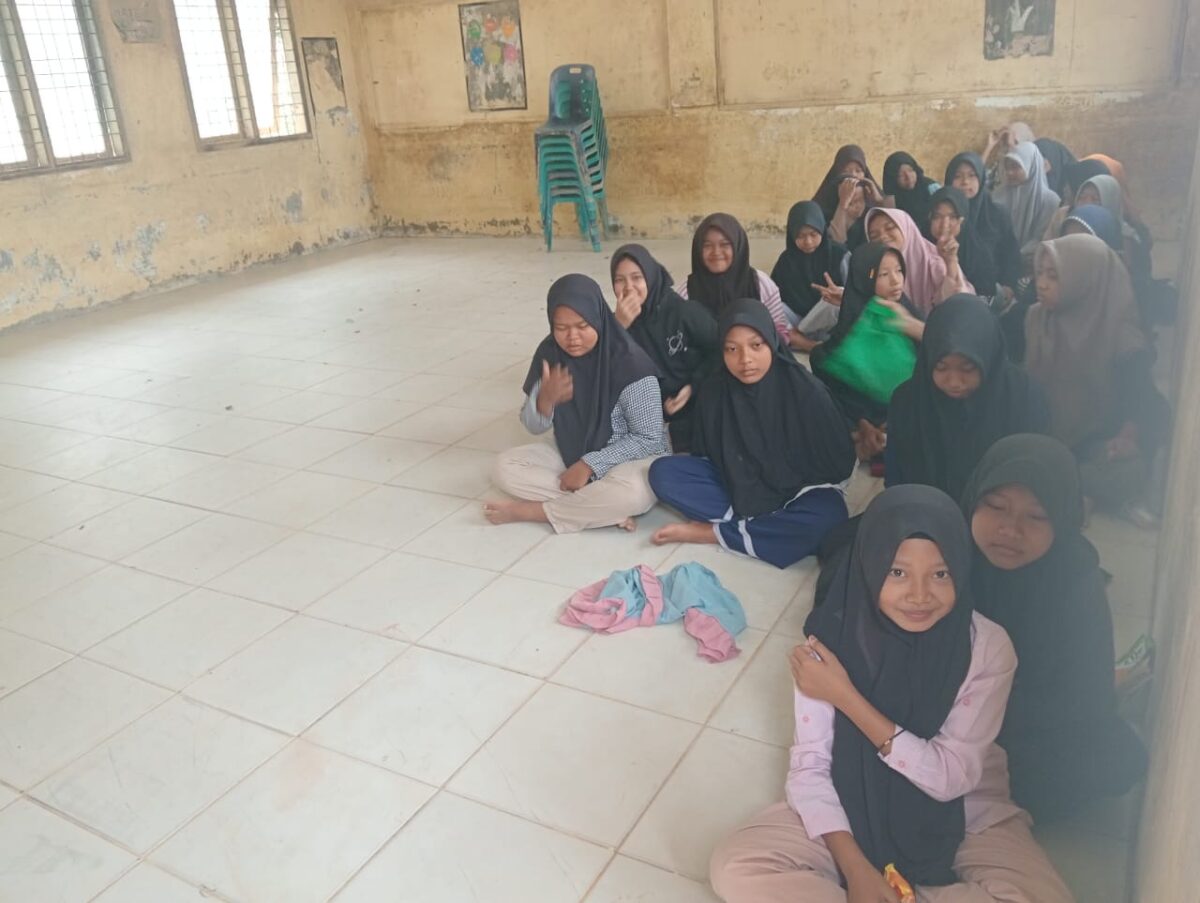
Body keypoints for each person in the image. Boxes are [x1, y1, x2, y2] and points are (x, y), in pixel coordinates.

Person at [710, 485, 1074, 903]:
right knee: (737, 868)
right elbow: (811, 768)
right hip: (850, 798)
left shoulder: (987, 648)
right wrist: (856, 870)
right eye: (897, 572)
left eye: (941, 574)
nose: (919, 595)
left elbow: (951, 778)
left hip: (964, 811)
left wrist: (845, 697)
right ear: (869, 565)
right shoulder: (829, 644)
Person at [963, 434, 1148, 823]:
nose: (1010, 530)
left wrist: (984, 716)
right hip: (942, 715)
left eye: (1036, 516)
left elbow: (1084, 701)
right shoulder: (946, 556)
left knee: (1116, 760)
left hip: (1024, 731)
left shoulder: (1074, 581)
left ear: (1063, 519)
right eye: (996, 506)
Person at [648, 300, 854, 569]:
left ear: (771, 342)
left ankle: (714, 533)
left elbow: (837, 465)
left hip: (799, 491)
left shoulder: (806, 391)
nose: (745, 359)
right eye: (732, 349)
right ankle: (767, 528)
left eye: (756, 346)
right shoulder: (715, 391)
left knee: (829, 517)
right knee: (663, 473)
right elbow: (706, 455)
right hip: (739, 485)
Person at [485, 274, 668, 532]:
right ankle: (599, 508)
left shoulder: (630, 363)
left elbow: (649, 438)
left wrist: (590, 464)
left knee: (635, 494)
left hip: (627, 459)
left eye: (583, 326)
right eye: (561, 328)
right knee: (504, 467)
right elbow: (533, 427)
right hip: (571, 448)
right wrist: (544, 402)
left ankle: (535, 511)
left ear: (598, 318)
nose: (572, 337)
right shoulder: (551, 354)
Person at [1027, 235, 1171, 515]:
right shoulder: (1036, 318)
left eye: (1053, 276)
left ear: (1085, 281)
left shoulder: (1122, 337)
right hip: (1043, 435)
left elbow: (1145, 403)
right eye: (1039, 273)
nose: (1041, 284)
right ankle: (1068, 489)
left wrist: (1128, 436)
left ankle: (1065, 487)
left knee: (1128, 473)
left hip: (1096, 441)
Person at [887, 294, 1049, 501]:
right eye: (941, 367)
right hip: (925, 509)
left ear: (988, 357)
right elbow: (895, 479)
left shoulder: (1024, 399)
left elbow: (1034, 476)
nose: (954, 382)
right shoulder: (908, 402)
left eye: (968, 368)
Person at [811, 242, 925, 462]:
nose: (896, 280)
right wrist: (862, 421)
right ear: (865, 278)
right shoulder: (852, 327)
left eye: (899, 270)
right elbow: (840, 389)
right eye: (883, 274)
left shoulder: (908, 317)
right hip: (866, 417)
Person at [610, 244, 719, 452]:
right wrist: (618, 328)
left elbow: (720, 350)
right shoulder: (616, 322)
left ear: (650, 277)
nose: (628, 288)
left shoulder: (683, 312)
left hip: (696, 401)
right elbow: (603, 370)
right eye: (619, 280)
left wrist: (693, 386)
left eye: (637, 278)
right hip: (650, 415)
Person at [676, 213, 791, 343]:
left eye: (724, 244)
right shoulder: (685, 292)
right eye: (707, 245)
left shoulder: (761, 284)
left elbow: (780, 331)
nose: (716, 252)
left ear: (738, 246)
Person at [770, 201, 849, 352]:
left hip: (828, 325)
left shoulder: (840, 255)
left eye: (813, 234)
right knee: (770, 305)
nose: (808, 242)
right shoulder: (786, 260)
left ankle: (798, 340)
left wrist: (839, 295)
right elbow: (773, 296)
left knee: (836, 298)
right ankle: (810, 345)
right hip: (795, 322)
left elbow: (856, 296)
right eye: (800, 236)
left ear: (822, 229)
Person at [864, 207, 974, 315]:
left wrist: (950, 263)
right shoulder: (872, 271)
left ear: (906, 228)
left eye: (889, 228)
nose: (882, 237)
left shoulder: (934, 262)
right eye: (874, 236)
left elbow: (957, 305)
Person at [945, 152, 1023, 293]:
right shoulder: (942, 216)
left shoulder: (997, 214)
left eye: (972, 175)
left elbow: (1010, 255)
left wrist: (1009, 286)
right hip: (953, 291)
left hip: (994, 292)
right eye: (957, 176)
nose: (965, 182)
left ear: (981, 178)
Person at [927, 186, 1004, 304]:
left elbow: (984, 298)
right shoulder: (919, 248)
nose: (944, 225)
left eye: (953, 217)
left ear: (963, 220)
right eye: (937, 217)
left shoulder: (978, 253)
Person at [993, 142, 1061, 254]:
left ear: (1031, 165)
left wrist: (1017, 256)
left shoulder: (1050, 201)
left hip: (1034, 260)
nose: (1009, 172)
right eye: (1007, 167)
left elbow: (1042, 238)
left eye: (1015, 167)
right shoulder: (998, 195)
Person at [812, 144, 884, 221]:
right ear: (836, 174)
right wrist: (843, 205)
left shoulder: (873, 200)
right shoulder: (821, 206)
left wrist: (879, 201)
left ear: (865, 174)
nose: (853, 176)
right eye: (846, 171)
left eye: (858, 171)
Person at [882, 151, 940, 235]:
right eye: (900, 175)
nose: (908, 177)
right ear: (893, 179)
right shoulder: (892, 199)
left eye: (910, 170)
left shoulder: (931, 188)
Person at [826, 176, 871, 251]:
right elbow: (837, 245)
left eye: (860, 200)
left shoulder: (870, 216)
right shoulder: (828, 220)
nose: (857, 206)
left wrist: (879, 200)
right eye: (850, 203)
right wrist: (842, 205)